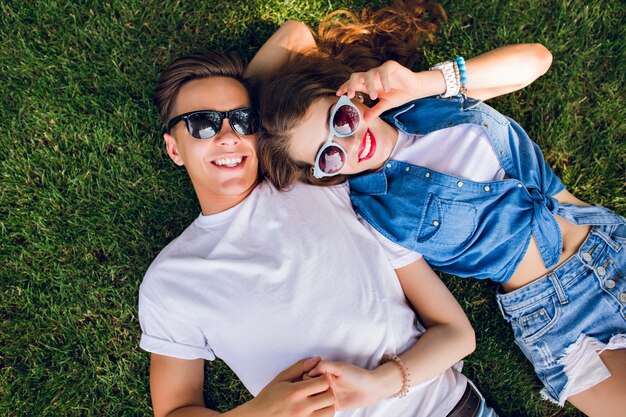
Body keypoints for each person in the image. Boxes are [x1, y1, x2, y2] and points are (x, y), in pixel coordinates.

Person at [137, 2, 554, 414]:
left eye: (243, 121)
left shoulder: (331, 185)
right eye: (202, 124)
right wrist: (263, 412)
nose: (228, 136)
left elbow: (294, 35)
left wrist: (381, 383)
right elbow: (176, 409)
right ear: (174, 148)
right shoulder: (170, 281)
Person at [257, 5, 626, 417]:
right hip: (559, 318)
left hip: (611, 243)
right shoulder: (370, 213)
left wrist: (425, 82)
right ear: (325, 175)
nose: (347, 144)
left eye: (340, 119)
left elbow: (538, 59)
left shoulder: (427, 98)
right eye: (327, 157)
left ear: (349, 94)